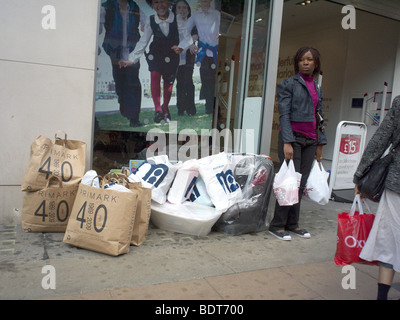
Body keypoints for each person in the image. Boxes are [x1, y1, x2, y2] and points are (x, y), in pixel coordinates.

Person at [268, 47, 327, 241]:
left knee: (300, 185)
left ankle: (293, 224)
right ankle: (277, 225)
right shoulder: (288, 84)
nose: (306, 62)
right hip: (293, 138)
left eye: (310, 59)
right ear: (297, 63)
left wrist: (321, 143)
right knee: (289, 183)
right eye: (302, 60)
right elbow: (284, 115)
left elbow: (319, 117)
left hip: (311, 140)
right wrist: (287, 142)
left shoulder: (317, 87)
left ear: (315, 63)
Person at [354, 95, 400, 300]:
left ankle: (382, 297)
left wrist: (360, 175)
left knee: (388, 241)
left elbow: (380, 139)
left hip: (397, 184)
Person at [119, 0, 193, 124]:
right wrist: (131, 59)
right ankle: (157, 110)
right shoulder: (151, 19)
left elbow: (188, 39)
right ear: (152, 5)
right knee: (154, 75)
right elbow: (143, 41)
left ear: (169, 4)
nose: (160, 5)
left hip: (172, 55)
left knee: (168, 86)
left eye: (163, 1)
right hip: (156, 54)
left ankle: (165, 108)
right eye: (156, 2)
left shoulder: (177, 18)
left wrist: (181, 47)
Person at [101, 0, 146, 127]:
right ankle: (123, 104)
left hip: (132, 52)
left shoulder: (134, 7)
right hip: (115, 51)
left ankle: (134, 119)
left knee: (133, 83)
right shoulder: (107, 6)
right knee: (120, 83)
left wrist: (144, 27)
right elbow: (97, 27)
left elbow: (147, 24)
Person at [186, 0, 220, 115]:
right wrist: (190, 43)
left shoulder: (217, 14)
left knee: (216, 80)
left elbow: (224, 30)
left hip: (216, 52)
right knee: (205, 79)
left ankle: (214, 106)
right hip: (203, 53)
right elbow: (185, 30)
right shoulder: (195, 15)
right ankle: (208, 106)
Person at [172, 0, 197, 116]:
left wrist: (191, 43)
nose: (182, 10)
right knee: (180, 83)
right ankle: (180, 108)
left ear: (188, 10)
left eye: (184, 8)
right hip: (176, 57)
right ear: (175, 10)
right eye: (179, 8)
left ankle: (191, 109)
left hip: (188, 56)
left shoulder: (192, 23)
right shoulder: (172, 24)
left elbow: (195, 36)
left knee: (188, 81)